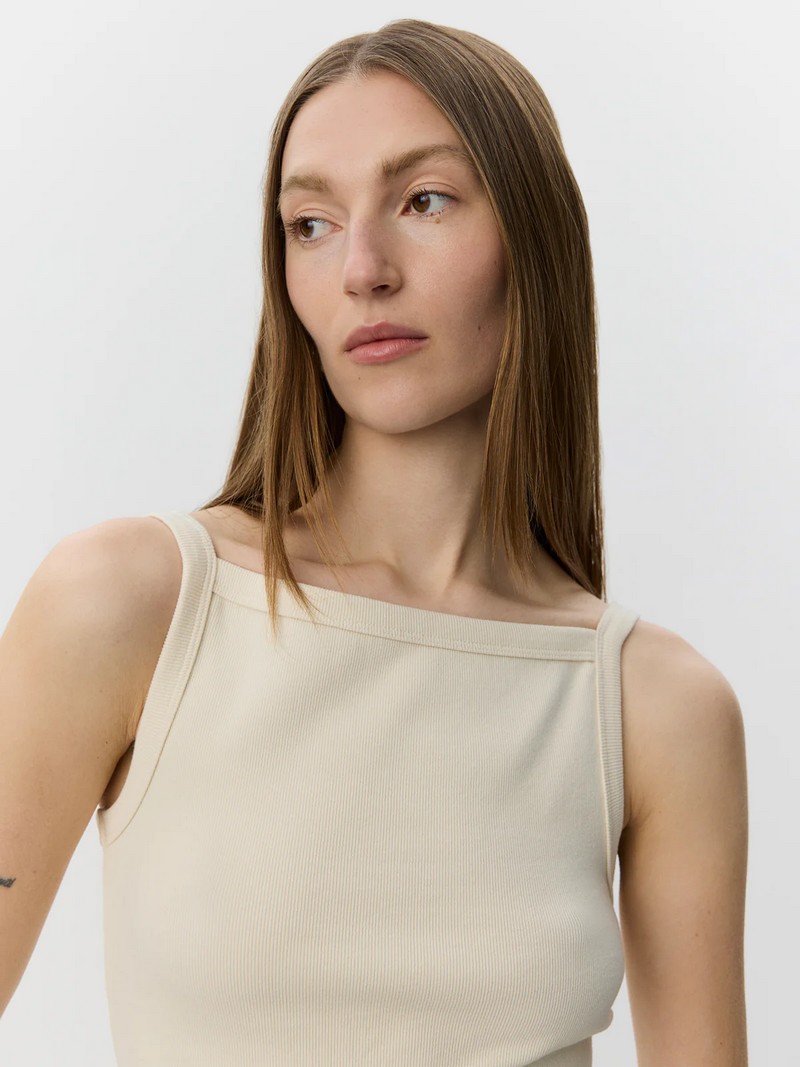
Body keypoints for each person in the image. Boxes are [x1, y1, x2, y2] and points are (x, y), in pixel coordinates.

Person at [0, 17, 748, 1066]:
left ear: (530, 236)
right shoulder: (129, 605)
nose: (361, 269)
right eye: (310, 223)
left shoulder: (653, 704)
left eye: (423, 201)